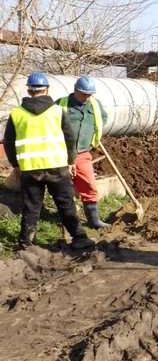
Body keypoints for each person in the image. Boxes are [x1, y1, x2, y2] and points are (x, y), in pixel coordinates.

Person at [4, 72, 95, 250]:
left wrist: (16, 166)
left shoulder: (16, 114)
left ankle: (26, 245)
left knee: (31, 207)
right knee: (65, 205)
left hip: (30, 170)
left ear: (29, 91)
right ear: (47, 89)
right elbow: (70, 139)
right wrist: (70, 161)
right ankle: (79, 239)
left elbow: (9, 142)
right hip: (57, 167)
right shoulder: (57, 111)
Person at [56, 76, 110, 229]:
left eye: (90, 94)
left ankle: (94, 221)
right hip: (61, 153)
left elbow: (102, 119)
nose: (87, 97)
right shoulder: (61, 104)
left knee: (89, 185)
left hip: (82, 153)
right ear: (75, 90)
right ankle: (66, 220)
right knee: (61, 188)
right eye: (84, 94)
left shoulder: (94, 104)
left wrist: (90, 131)